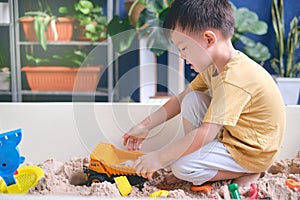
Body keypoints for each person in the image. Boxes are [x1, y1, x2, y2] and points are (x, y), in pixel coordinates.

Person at [122, 0, 286, 187]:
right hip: (236, 137)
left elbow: (206, 133)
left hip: (253, 152)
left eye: (184, 48)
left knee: (182, 168)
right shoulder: (214, 67)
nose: (182, 56)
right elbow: (181, 99)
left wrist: (159, 158)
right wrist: (145, 125)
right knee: (191, 100)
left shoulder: (234, 78)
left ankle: (247, 171)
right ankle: (204, 163)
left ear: (209, 39)